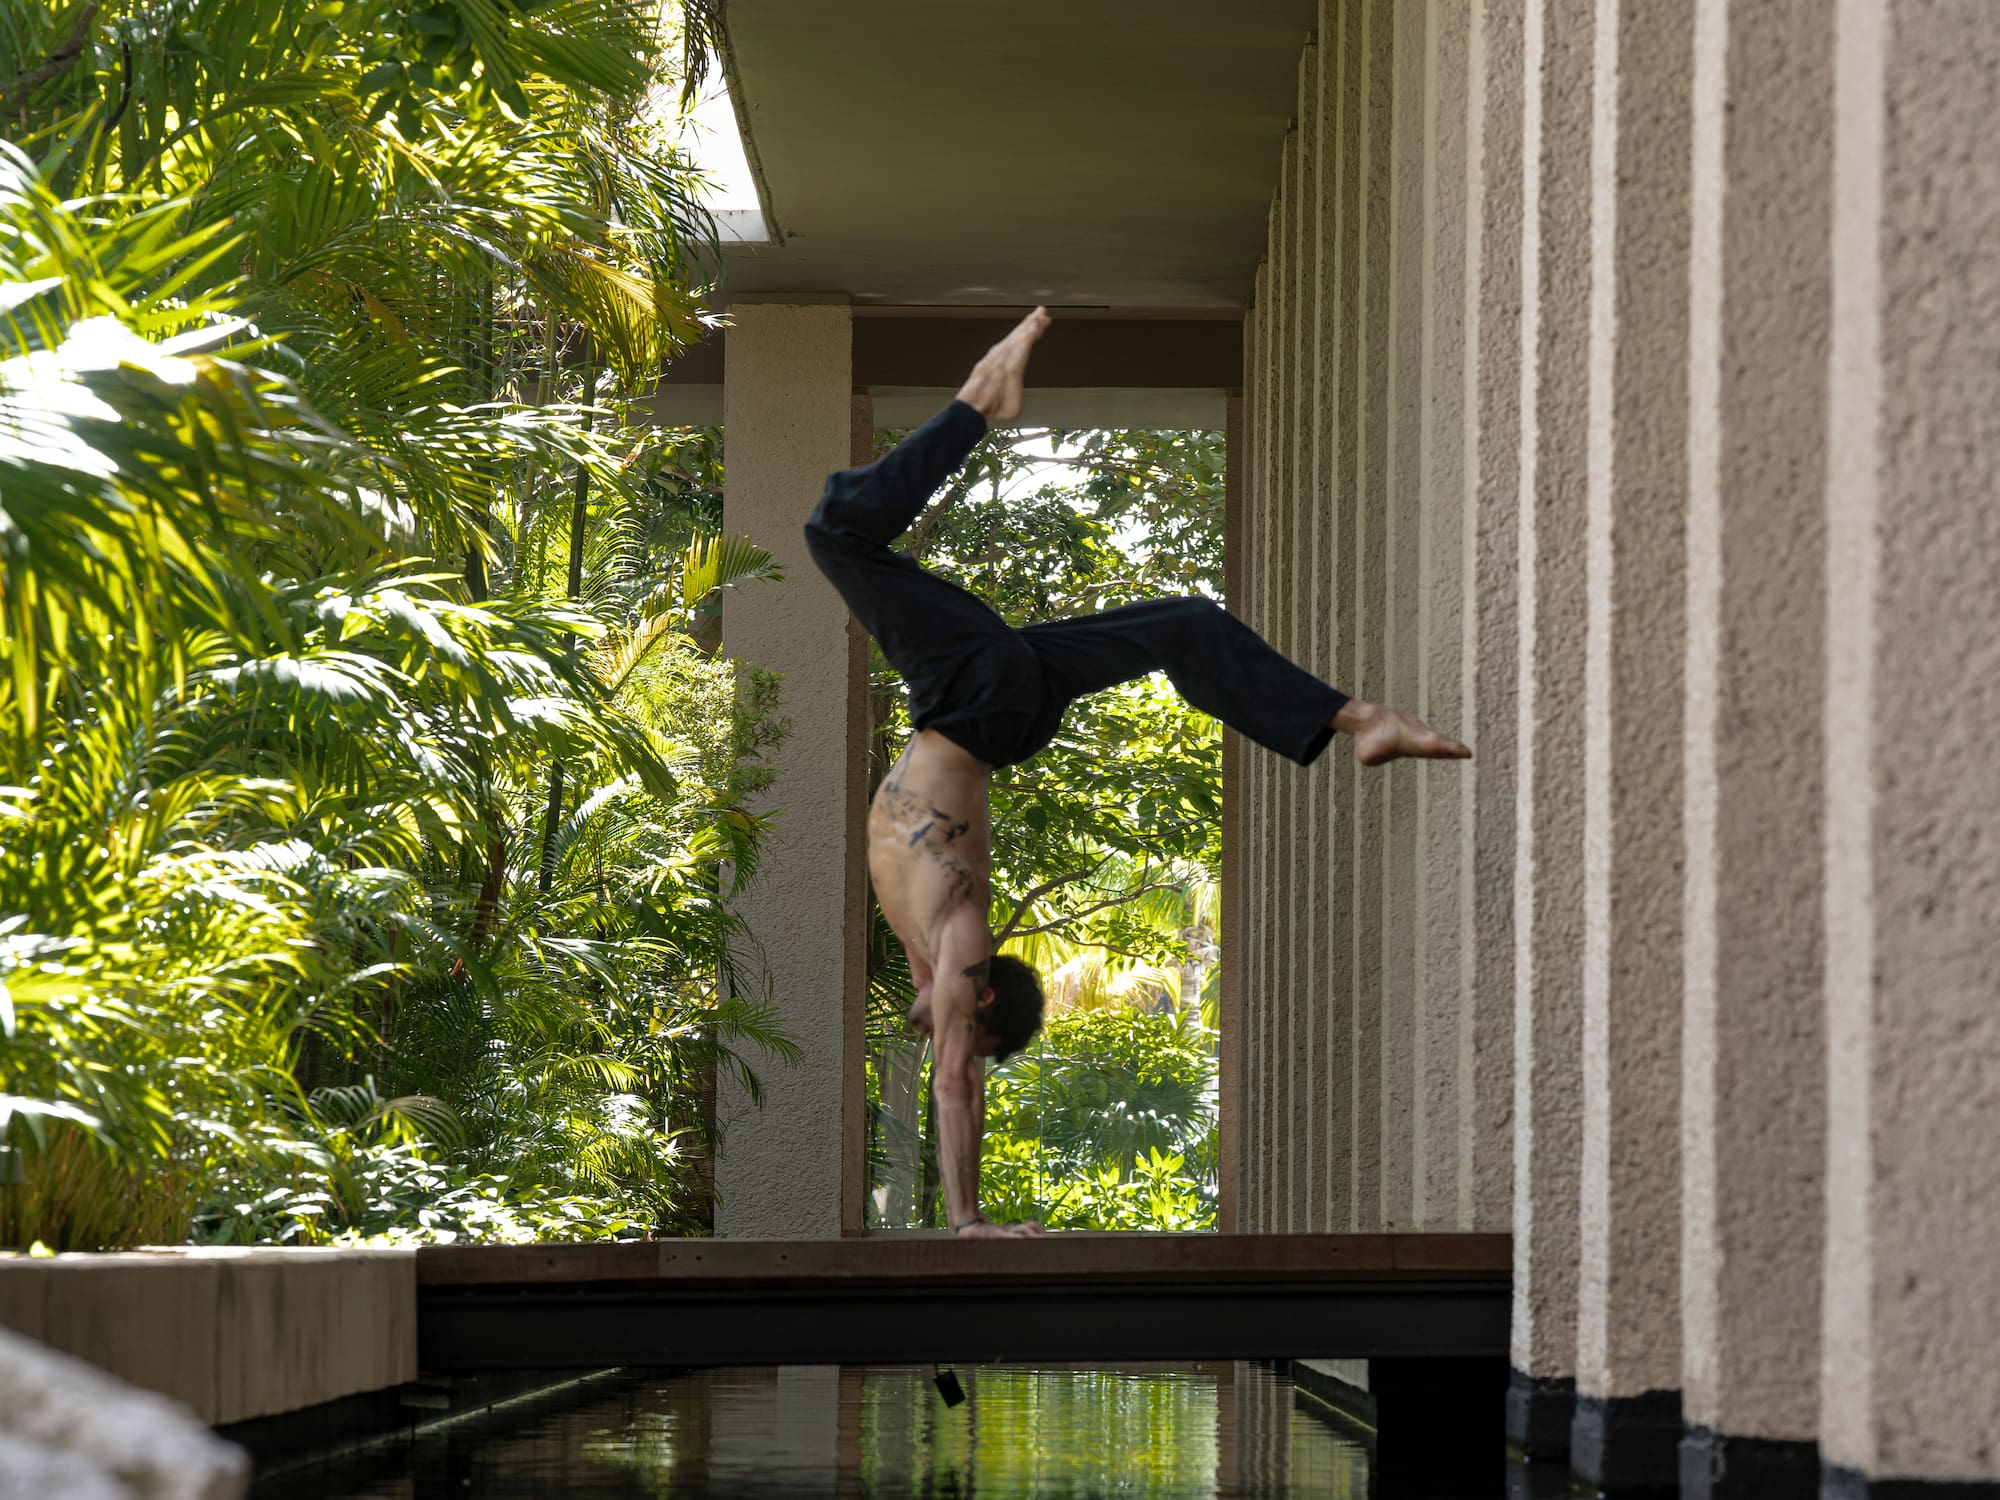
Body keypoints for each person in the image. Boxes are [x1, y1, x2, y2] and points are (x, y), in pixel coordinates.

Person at [803, 308, 1470, 1239]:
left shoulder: (933, 940)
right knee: (837, 531)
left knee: (1185, 627)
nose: (945, 1033)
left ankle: (1363, 720)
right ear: (981, 995)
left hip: (989, 702)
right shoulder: (954, 938)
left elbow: (953, 1056)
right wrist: (968, 1223)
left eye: (953, 1028)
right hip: (980, 699)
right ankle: (978, 403)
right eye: (970, 1026)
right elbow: (954, 1083)